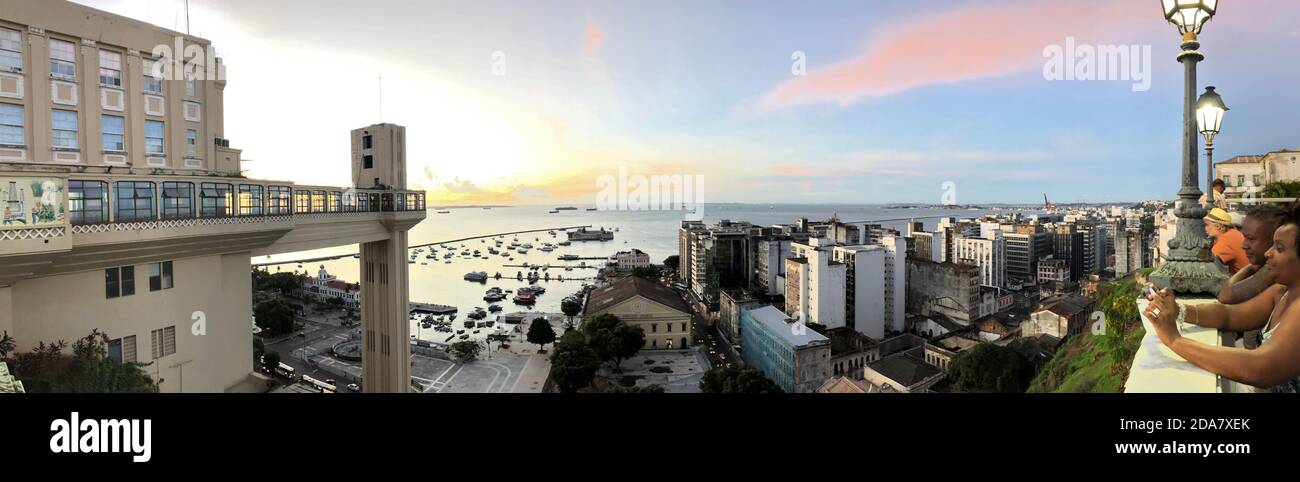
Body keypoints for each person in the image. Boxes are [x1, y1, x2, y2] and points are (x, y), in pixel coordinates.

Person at [1144, 212, 1300, 392]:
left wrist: (1174, 340)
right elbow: (1230, 315)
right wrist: (1179, 310)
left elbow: (1260, 368)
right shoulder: (1281, 292)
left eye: (1279, 248)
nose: (1268, 253)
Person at [1218, 204, 1288, 305]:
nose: (1244, 245)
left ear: (1274, 240)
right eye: (1244, 237)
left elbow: (1225, 296)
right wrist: (1251, 267)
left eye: (1251, 239)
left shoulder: (1276, 272)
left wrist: (1251, 267)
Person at [1204, 207, 1250, 275]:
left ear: (1218, 226)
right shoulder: (1233, 233)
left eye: (1207, 225)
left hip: (1246, 281)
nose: (1205, 228)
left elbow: (1206, 261)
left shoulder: (1227, 238)